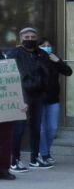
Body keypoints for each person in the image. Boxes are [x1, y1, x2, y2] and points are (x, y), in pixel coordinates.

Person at [4, 27, 50, 171]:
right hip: (21, 96)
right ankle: (14, 161)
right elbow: (8, 76)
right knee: (18, 129)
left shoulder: (41, 54)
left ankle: (34, 159)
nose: (30, 39)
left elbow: (48, 73)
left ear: (36, 38)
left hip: (38, 95)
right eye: (27, 37)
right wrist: (17, 96)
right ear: (21, 38)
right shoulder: (13, 53)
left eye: (33, 37)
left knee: (36, 128)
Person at [36, 38, 72, 167]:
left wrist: (58, 61)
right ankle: (43, 154)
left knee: (52, 128)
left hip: (53, 99)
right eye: (43, 45)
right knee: (41, 130)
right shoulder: (34, 59)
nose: (47, 47)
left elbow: (68, 72)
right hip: (38, 100)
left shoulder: (54, 59)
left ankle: (45, 152)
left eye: (48, 45)